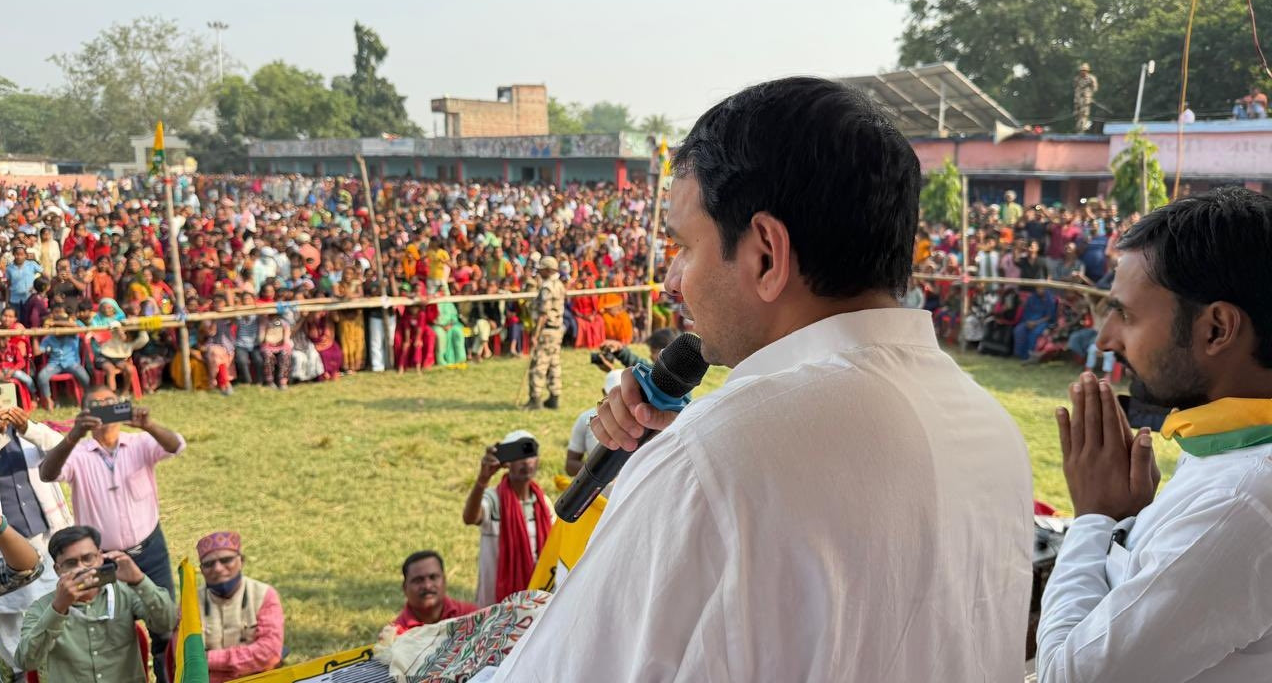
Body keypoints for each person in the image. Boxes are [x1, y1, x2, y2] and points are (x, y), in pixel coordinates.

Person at [493, 77, 1032, 681]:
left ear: (767, 255)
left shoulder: (709, 465)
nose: (672, 282)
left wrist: (666, 473)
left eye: (684, 247)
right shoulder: (994, 432)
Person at [1038, 187, 1272, 682]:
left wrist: (1095, 518)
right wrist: (1128, 520)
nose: (1106, 338)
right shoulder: (1235, 446)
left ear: (1217, 329)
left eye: (1125, 314)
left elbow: (1064, 676)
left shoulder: (1241, 500)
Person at [38, 387, 186, 682]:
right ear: (84, 413)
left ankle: (167, 676)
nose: (104, 408)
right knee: (108, 625)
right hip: (101, 559)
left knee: (164, 624)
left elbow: (176, 446)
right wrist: (73, 435)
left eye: (110, 402)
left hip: (150, 550)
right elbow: (47, 473)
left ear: (121, 407)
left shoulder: (140, 442)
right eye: (96, 404)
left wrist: (149, 425)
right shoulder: (78, 453)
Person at [16, 525, 174, 683]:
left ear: (100, 558)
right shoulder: (41, 608)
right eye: (71, 563)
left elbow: (167, 623)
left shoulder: (125, 591)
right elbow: (26, 661)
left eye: (88, 559)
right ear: (58, 569)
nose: (81, 568)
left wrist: (139, 580)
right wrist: (58, 609)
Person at [0, 402, 65, 681]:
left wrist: (27, 428)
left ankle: (60, 664)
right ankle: (22, 671)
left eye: (0, 396)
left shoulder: (29, 432)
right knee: (10, 614)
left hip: (45, 537)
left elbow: (63, 449)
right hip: (1, 548)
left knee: (53, 600)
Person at [461, 430, 553, 608]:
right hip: (497, 598)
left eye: (530, 454)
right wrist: (482, 479)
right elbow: (470, 518)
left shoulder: (543, 503)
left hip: (537, 595)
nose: (526, 461)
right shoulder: (494, 500)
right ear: (507, 462)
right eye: (519, 455)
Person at [191, 531, 285, 683]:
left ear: (241, 561)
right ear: (201, 570)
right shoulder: (190, 603)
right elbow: (186, 658)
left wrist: (209, 659)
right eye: (208, 564)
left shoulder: (264, 595)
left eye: (226, 560)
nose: (218, 568)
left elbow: (269, 652)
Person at [392, 550, 478, 634]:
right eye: (418, 580)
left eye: (433, 577)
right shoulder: (397, 635)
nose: (427, 586)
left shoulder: (472, 617)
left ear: (444, 581)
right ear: (405, 588)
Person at [525, 256, 564, 410]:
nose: (539, 272)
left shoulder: (547, 287)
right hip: (557, 329)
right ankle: (554, 396)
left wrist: (535, 335)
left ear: (548, 270)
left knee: (539, 364)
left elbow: (543, 314)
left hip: (546, 330)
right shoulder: (559, 284)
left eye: (541, 269)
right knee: (554, 363)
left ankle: (535, 398)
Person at [36, 305, 90, 410]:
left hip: (72, 363)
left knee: (85, 377)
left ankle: (87, 397)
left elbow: (79, 327)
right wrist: (34, 337)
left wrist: (56, 323)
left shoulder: (72, 334)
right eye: (56, 329)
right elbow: (37, 352)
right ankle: (48, 400)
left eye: (61, 328)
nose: (59, 332)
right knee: (42, 376)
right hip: (54, 364)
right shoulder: (48, 338)